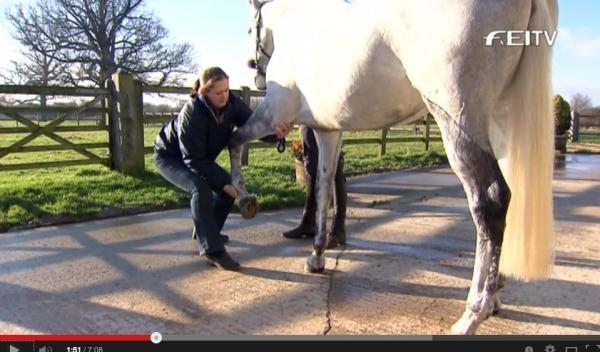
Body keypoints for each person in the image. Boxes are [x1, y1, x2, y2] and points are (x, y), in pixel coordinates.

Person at [153, 67, 289, 271]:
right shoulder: (192, 113)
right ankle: (212, 250)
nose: (224, 96)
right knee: (201, 189)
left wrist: (275, 133)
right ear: (204, 92)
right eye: (218, 92)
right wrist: (224, 183)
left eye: (226, 90)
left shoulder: (232, 104)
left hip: (199, 158)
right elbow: (193, 159)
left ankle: (209, 232)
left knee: (227, 189)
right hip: (171, 157)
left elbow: (253, 125)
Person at [282, 125, 347, 249]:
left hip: (327, 114)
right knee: (311, 163)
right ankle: (309, 222)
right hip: (310, 116)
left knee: (334, 165)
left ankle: (338, 228)